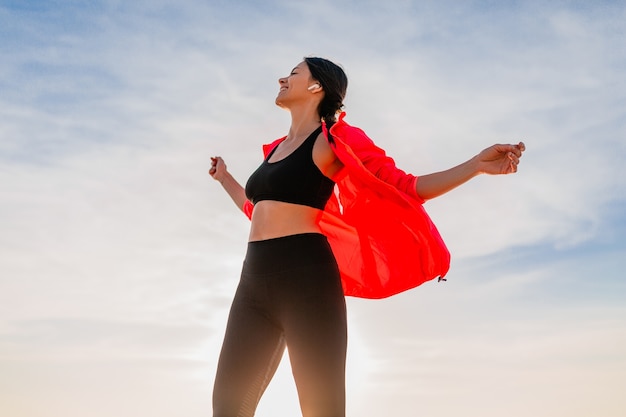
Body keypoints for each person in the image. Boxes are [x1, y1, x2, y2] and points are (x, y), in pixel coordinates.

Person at [209, 56, 525, 417]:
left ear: (317, 87)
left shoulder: (334, 140)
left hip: (307, 281)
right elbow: (257, 211)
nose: (283, 77)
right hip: (253, 283)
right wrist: (225, 179)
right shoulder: (276, 150)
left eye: (294, 73)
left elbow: (406, 187)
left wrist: (475, 165)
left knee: (322, 409)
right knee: (228, 406)